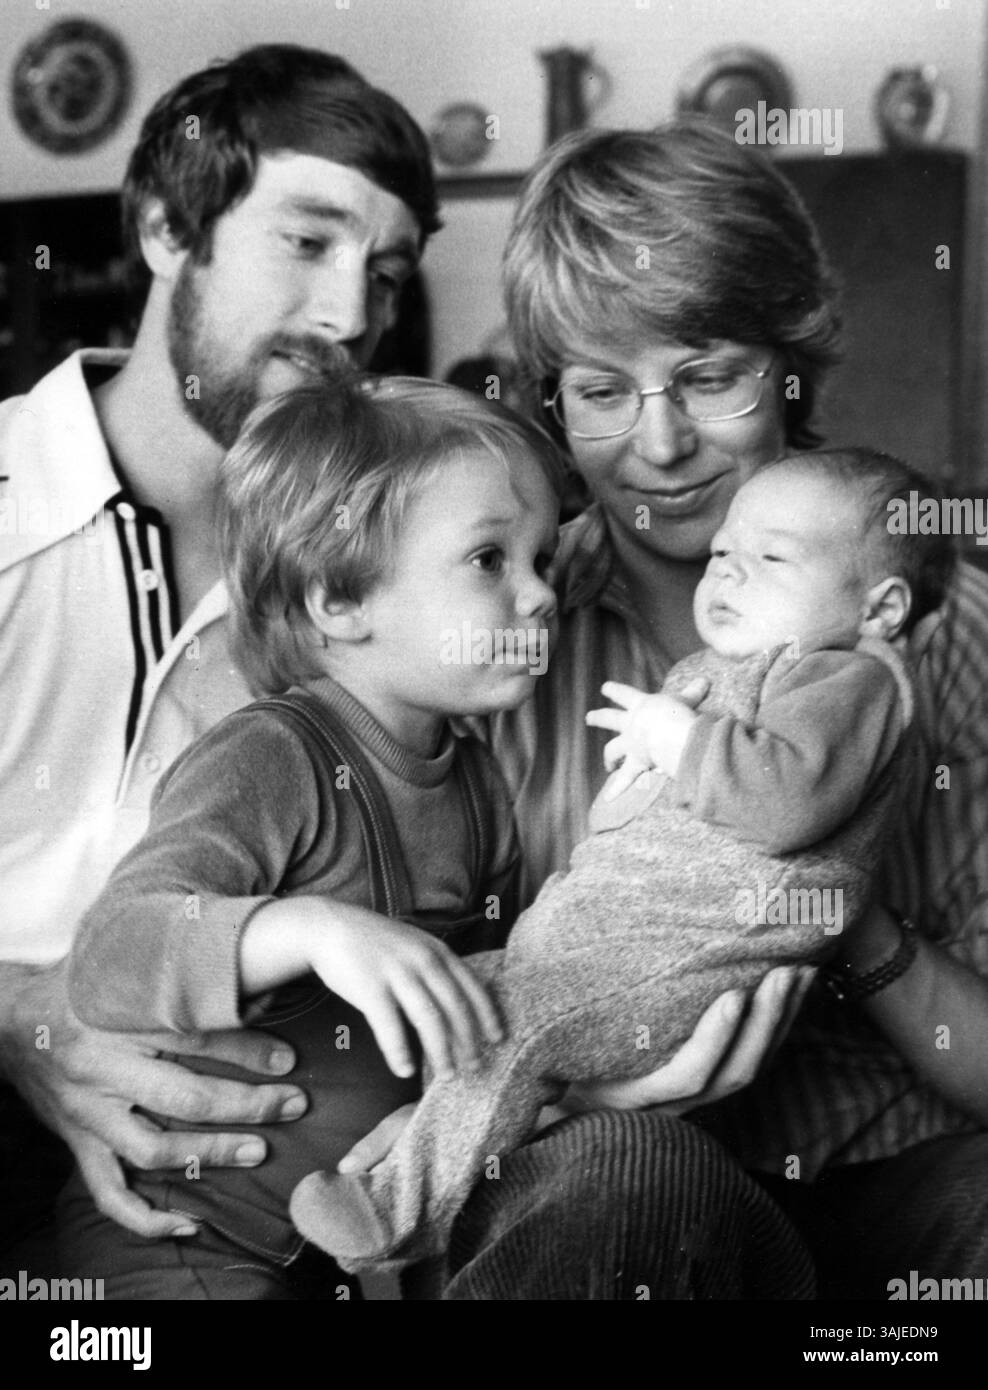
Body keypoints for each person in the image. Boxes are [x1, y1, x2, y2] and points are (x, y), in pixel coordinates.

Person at [0, 47, 803, 1300]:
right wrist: (23, 1027)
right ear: (165, 227)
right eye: (306, 243)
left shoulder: (404, 570)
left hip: (326, 1185)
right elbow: (138, 936)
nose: (347, 313)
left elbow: (480, 1009)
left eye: (382, 271)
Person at [426, 122, 987, 1301]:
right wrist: (586, 1094)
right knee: (627, 1177)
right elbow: (411, 1014)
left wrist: (846, 916)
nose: (660, 443)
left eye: (710, 375)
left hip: (899, 1181)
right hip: (593, 1174)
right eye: (601, 390)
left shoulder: (955, 632)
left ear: (792, 364)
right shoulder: (503, 633)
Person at [287, 447, 948, 1271]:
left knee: (516, 1027)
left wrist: (675, 739)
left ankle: (396, 1216)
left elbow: (781, 805)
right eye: (723, 556)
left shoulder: (851, 676)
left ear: (882, 607)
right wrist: (643, 768)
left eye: (770, 559)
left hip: (708, 949)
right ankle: (409, 1162)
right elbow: (629, 823)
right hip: (634, 943)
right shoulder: (717, 673)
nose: (729, 576)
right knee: (470, 997)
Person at [56, 377, 561, 1297]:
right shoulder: (270, 755)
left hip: (338, 1255)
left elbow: (484, 1026)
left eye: (544, 557)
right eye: (491, 560)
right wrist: (313, 929)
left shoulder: (481, 789)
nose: (538, 596)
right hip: (180, 1242)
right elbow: (108, 956)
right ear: (338, 598)